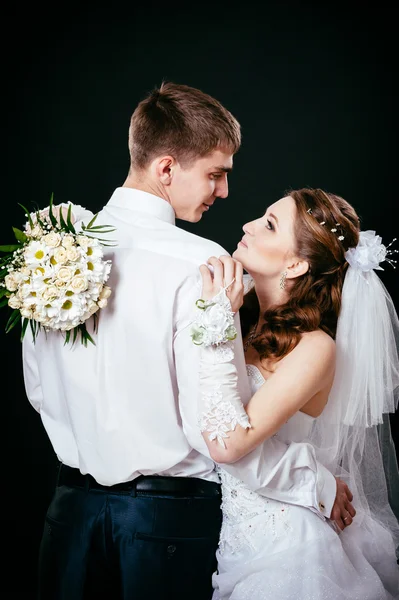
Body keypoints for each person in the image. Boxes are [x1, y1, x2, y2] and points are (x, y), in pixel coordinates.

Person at [22, 83, 353, 600]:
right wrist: (316, 483)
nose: (223, 192)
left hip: (69, 517)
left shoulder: (54, 252)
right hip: (165, 524)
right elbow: (215, 433)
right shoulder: (203, 265)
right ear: (167, 169)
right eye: (215, 174)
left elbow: (39, 389)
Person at [193, 187, 399, 599]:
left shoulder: (315, 348)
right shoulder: (237, 304)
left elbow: (231, 442)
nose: (247, 225)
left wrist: (216, 315)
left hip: (288, 544)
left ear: (296, 264)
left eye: (269, 225)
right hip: (229, 538)